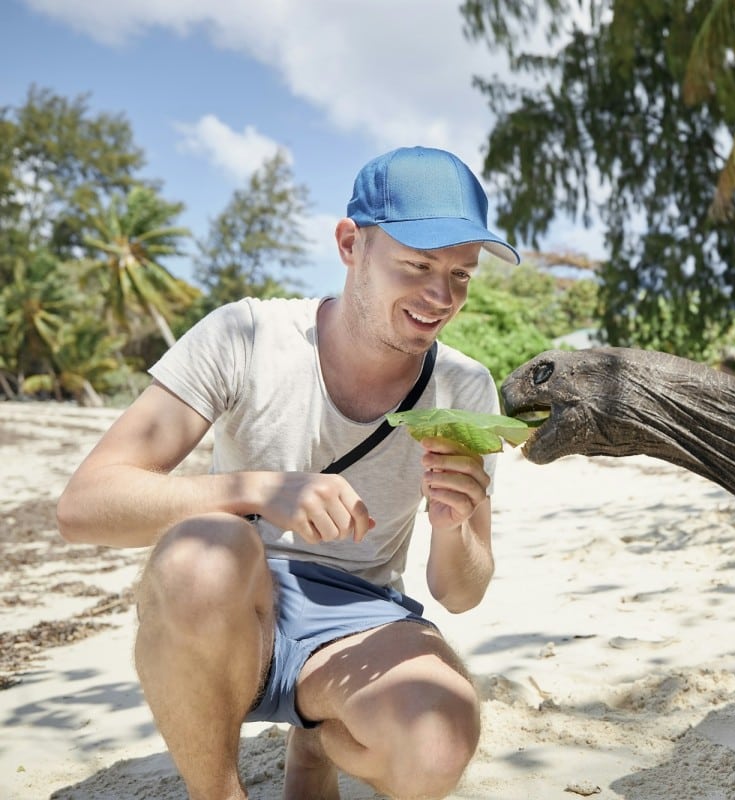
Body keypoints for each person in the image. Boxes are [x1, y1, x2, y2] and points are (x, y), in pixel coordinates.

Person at [56, 146, 521, 800]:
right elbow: (82, 507)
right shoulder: (246, 336)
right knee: (205, 552)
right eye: (417, 265)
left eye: (462, 275)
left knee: (438, 744)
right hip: (228, 607)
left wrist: (455, 528)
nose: (440, 296)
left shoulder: (463, 386)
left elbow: (461, 591)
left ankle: (316, 745)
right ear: (350, 245)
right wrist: (257, 489)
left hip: (361, 618)